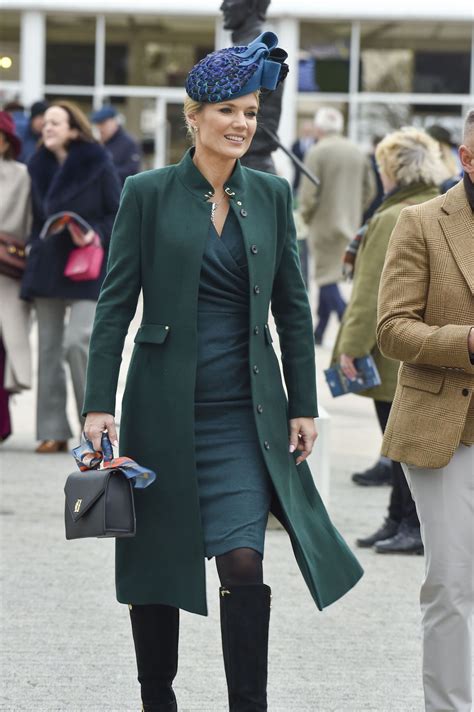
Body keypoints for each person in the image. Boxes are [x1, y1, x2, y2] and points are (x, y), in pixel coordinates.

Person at [82, 33, 363, 712]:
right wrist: (97, 405)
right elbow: (115, 305)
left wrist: (304, 402)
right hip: (160, 410)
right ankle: (158, 698)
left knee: (244, 562)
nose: (243, 123)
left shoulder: (268, 194)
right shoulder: (145, 193)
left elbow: (295, 310)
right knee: (156, 569)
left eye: (252, 110)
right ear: (193, 117)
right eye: (229, 111)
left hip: (246, 414)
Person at [377, 109, 474, 711]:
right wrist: (464, 341)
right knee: (453, 582)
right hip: (446, 431)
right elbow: (391, 329)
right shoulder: (421, 222)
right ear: (468, 158)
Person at [332, 127, 445, 554]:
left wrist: (351, 346)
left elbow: (371, 290)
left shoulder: (391, 216)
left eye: (381, 167)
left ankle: (407, 523)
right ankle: (398, 520)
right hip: (426, 341)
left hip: (391, 348)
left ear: (394, 169)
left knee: (398, 444)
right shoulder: (439, 205)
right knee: (403, 446)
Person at [20, 101, 121, 453]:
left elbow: (117, 213)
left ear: (74, 130)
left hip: (87, 264)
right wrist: (33, 244)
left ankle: (92, 424)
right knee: (47, 348)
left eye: (55, 123)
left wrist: (94, 233)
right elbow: (33, 217)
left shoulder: (98, 162)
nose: (46, 128)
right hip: (47, 264)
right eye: (44, 123)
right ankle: (52, 430)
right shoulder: (36, 165)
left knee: (77, 341)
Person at [298, 106, 375, 345]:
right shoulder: (356, 151)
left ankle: (348, 322)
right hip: (349, 223)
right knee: (330, 277)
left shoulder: (317, 152)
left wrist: (306, 216)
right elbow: (370, 189)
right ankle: (319, 332)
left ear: (319, 128)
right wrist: (355, 210)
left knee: (326, 278)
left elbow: (308, 195)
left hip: (323, 224)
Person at [0, 111, 32, 441]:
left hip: (7, 272)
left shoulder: (20, 173)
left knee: (4, 347)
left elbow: (26, 220)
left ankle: (2, 423)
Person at [90, 105, 141, 185]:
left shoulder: (129, 143)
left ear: (114, 122)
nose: (100, 128)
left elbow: (132, 171)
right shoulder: (98, 143)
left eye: (103, 123)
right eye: (97, 124)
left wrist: (104, 172)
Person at [291, 119, 315, 192]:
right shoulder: (295, 145)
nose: (307, 132)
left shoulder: (317, 144)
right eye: (305, 130)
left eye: (309, 131)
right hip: (298, 180)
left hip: (312, 179)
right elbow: (293, 161)